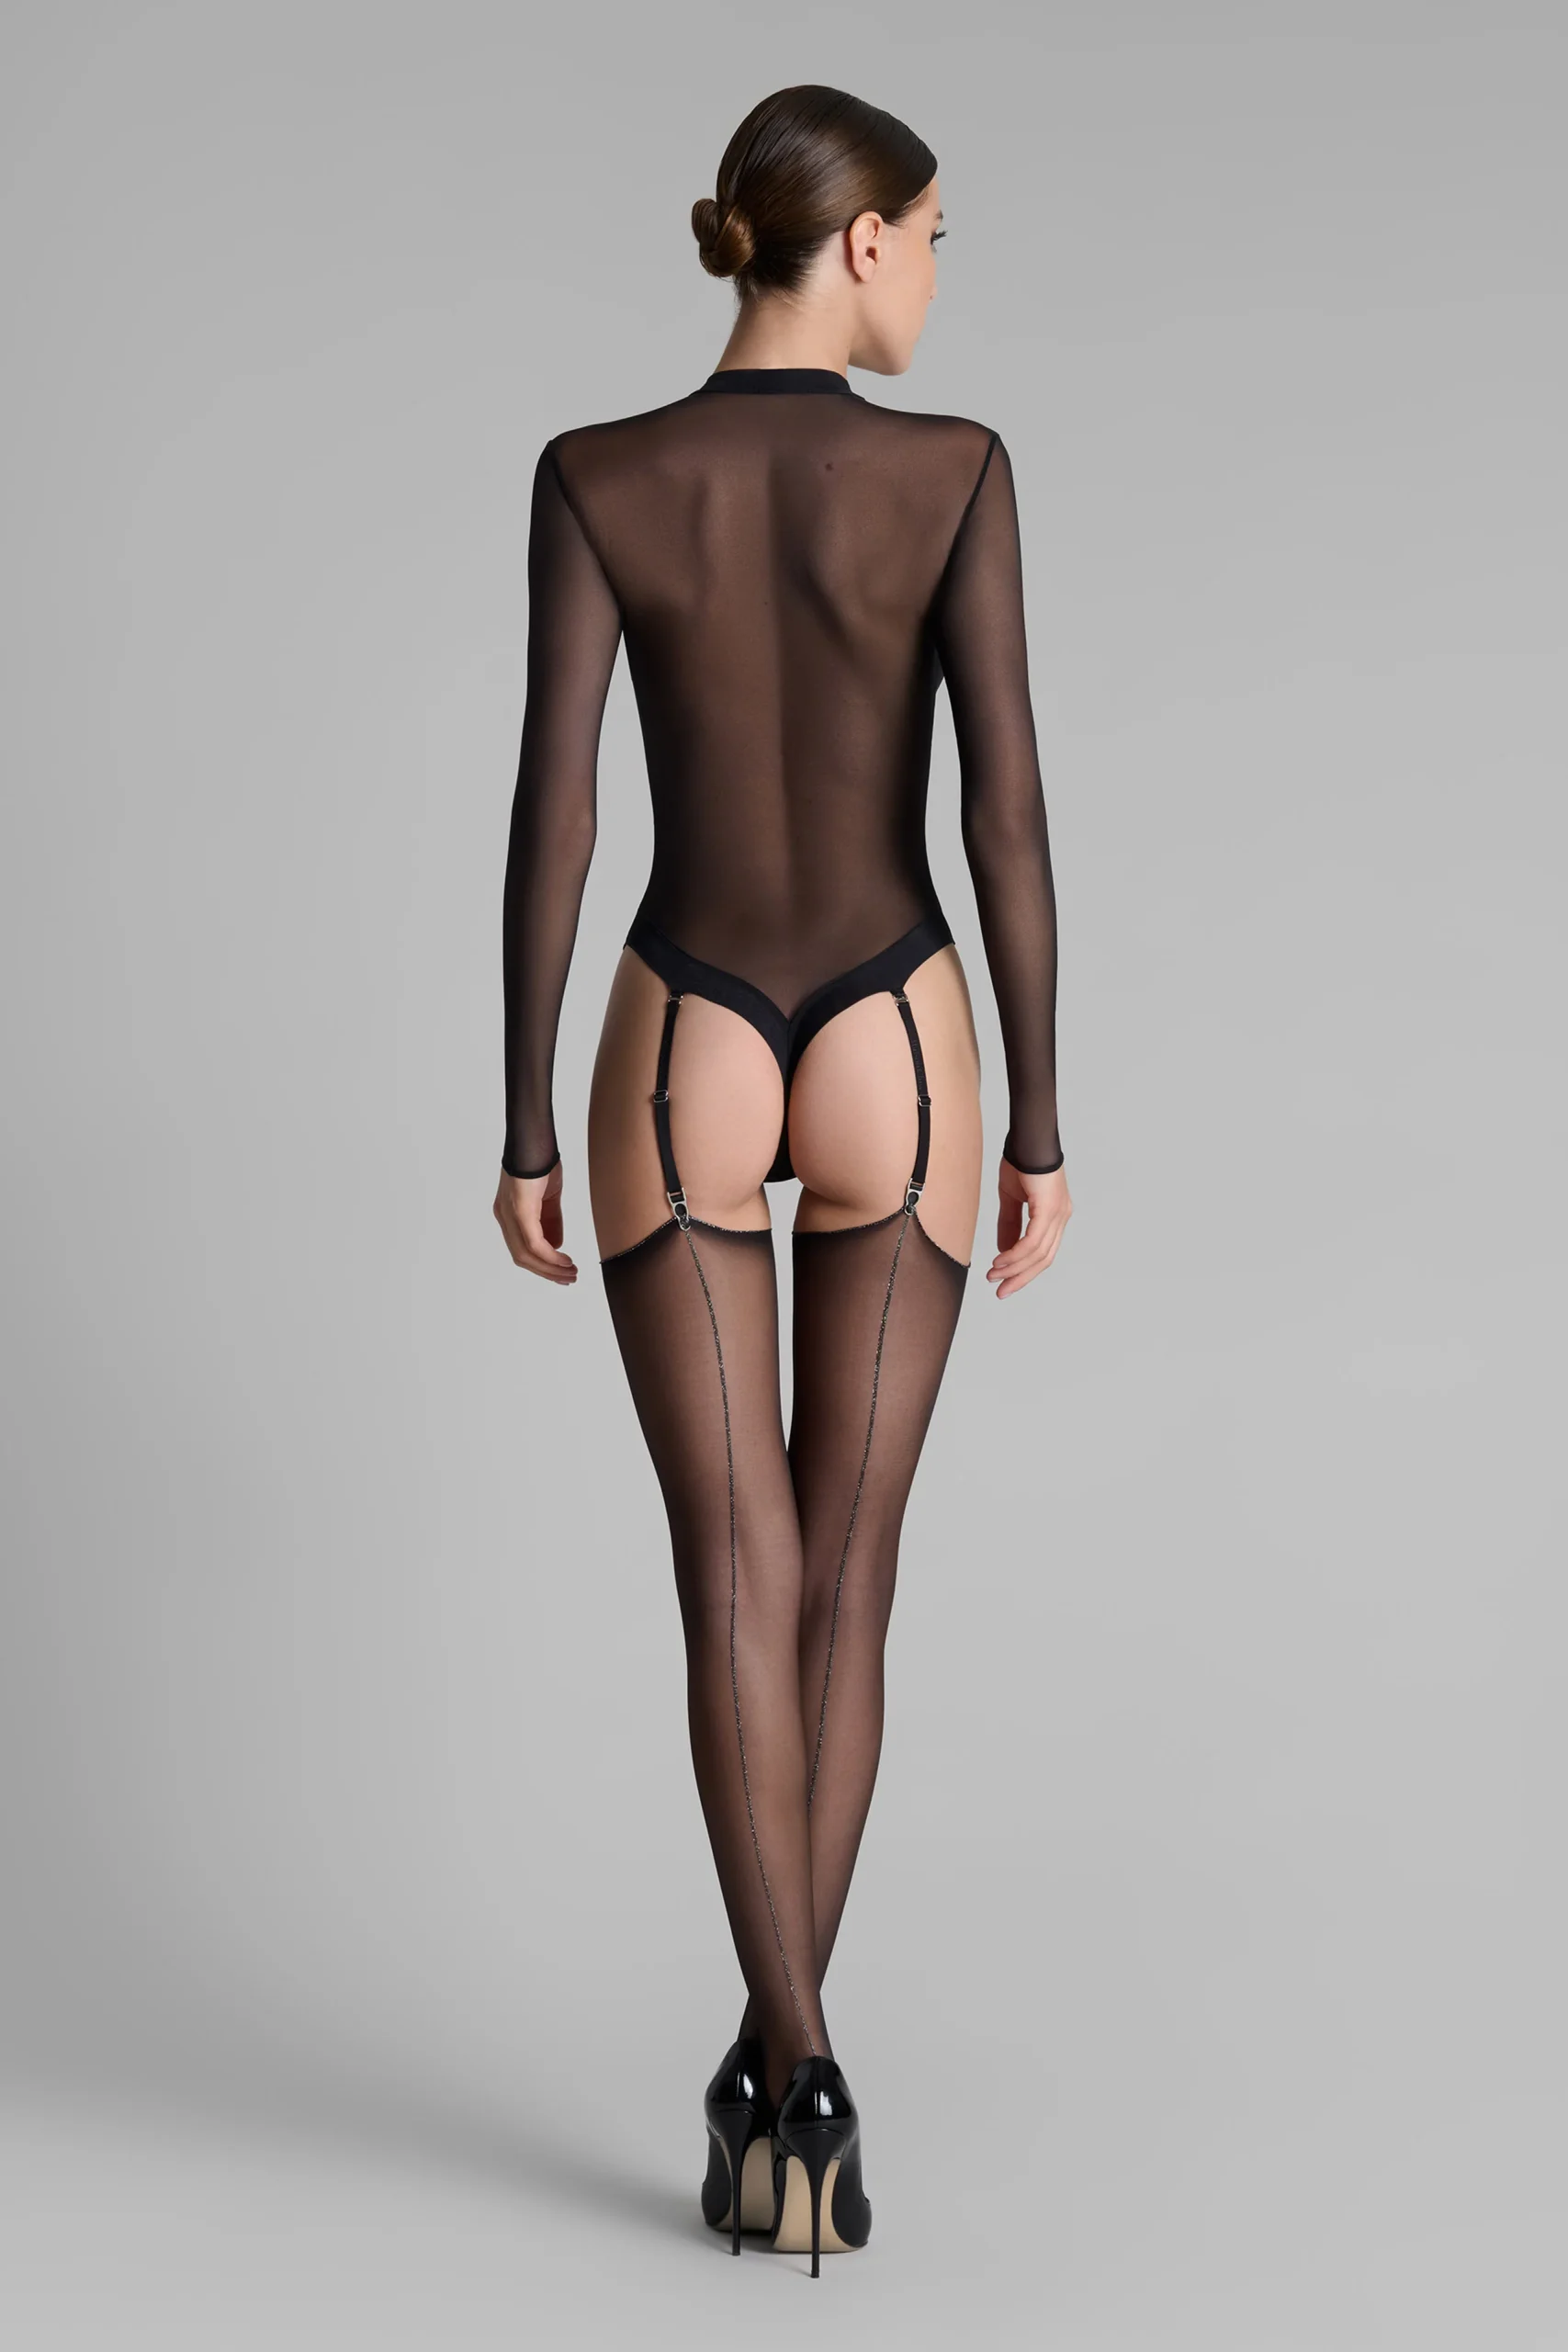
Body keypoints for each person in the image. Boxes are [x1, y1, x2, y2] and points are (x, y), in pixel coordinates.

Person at [492, 83, 1072, 2275]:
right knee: (847, 1566)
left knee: (730, 1564)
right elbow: (1003, 817)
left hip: (683, 1029)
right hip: (896, 1029)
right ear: (859, 245)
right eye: (932, 236)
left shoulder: (598, 475)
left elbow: (557, 811)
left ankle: (782, 2064)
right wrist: (1038, 1120)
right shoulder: (955, 474)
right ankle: (797, 2067)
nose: (935, 276)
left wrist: (523, 1116)